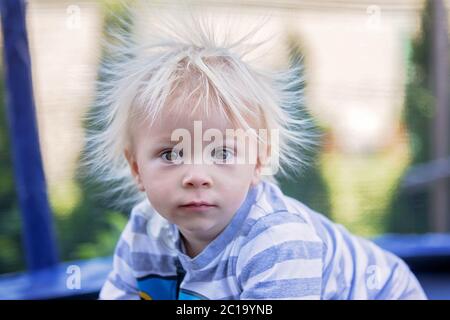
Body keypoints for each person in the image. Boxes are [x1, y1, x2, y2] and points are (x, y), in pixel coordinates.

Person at [87, 6, 427, 300]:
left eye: (222, 153)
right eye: (171, 155)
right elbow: (122, 291)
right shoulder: (145, 229)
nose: (196, 176)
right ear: (136, 169)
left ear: (258, 163)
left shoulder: (276, 240)